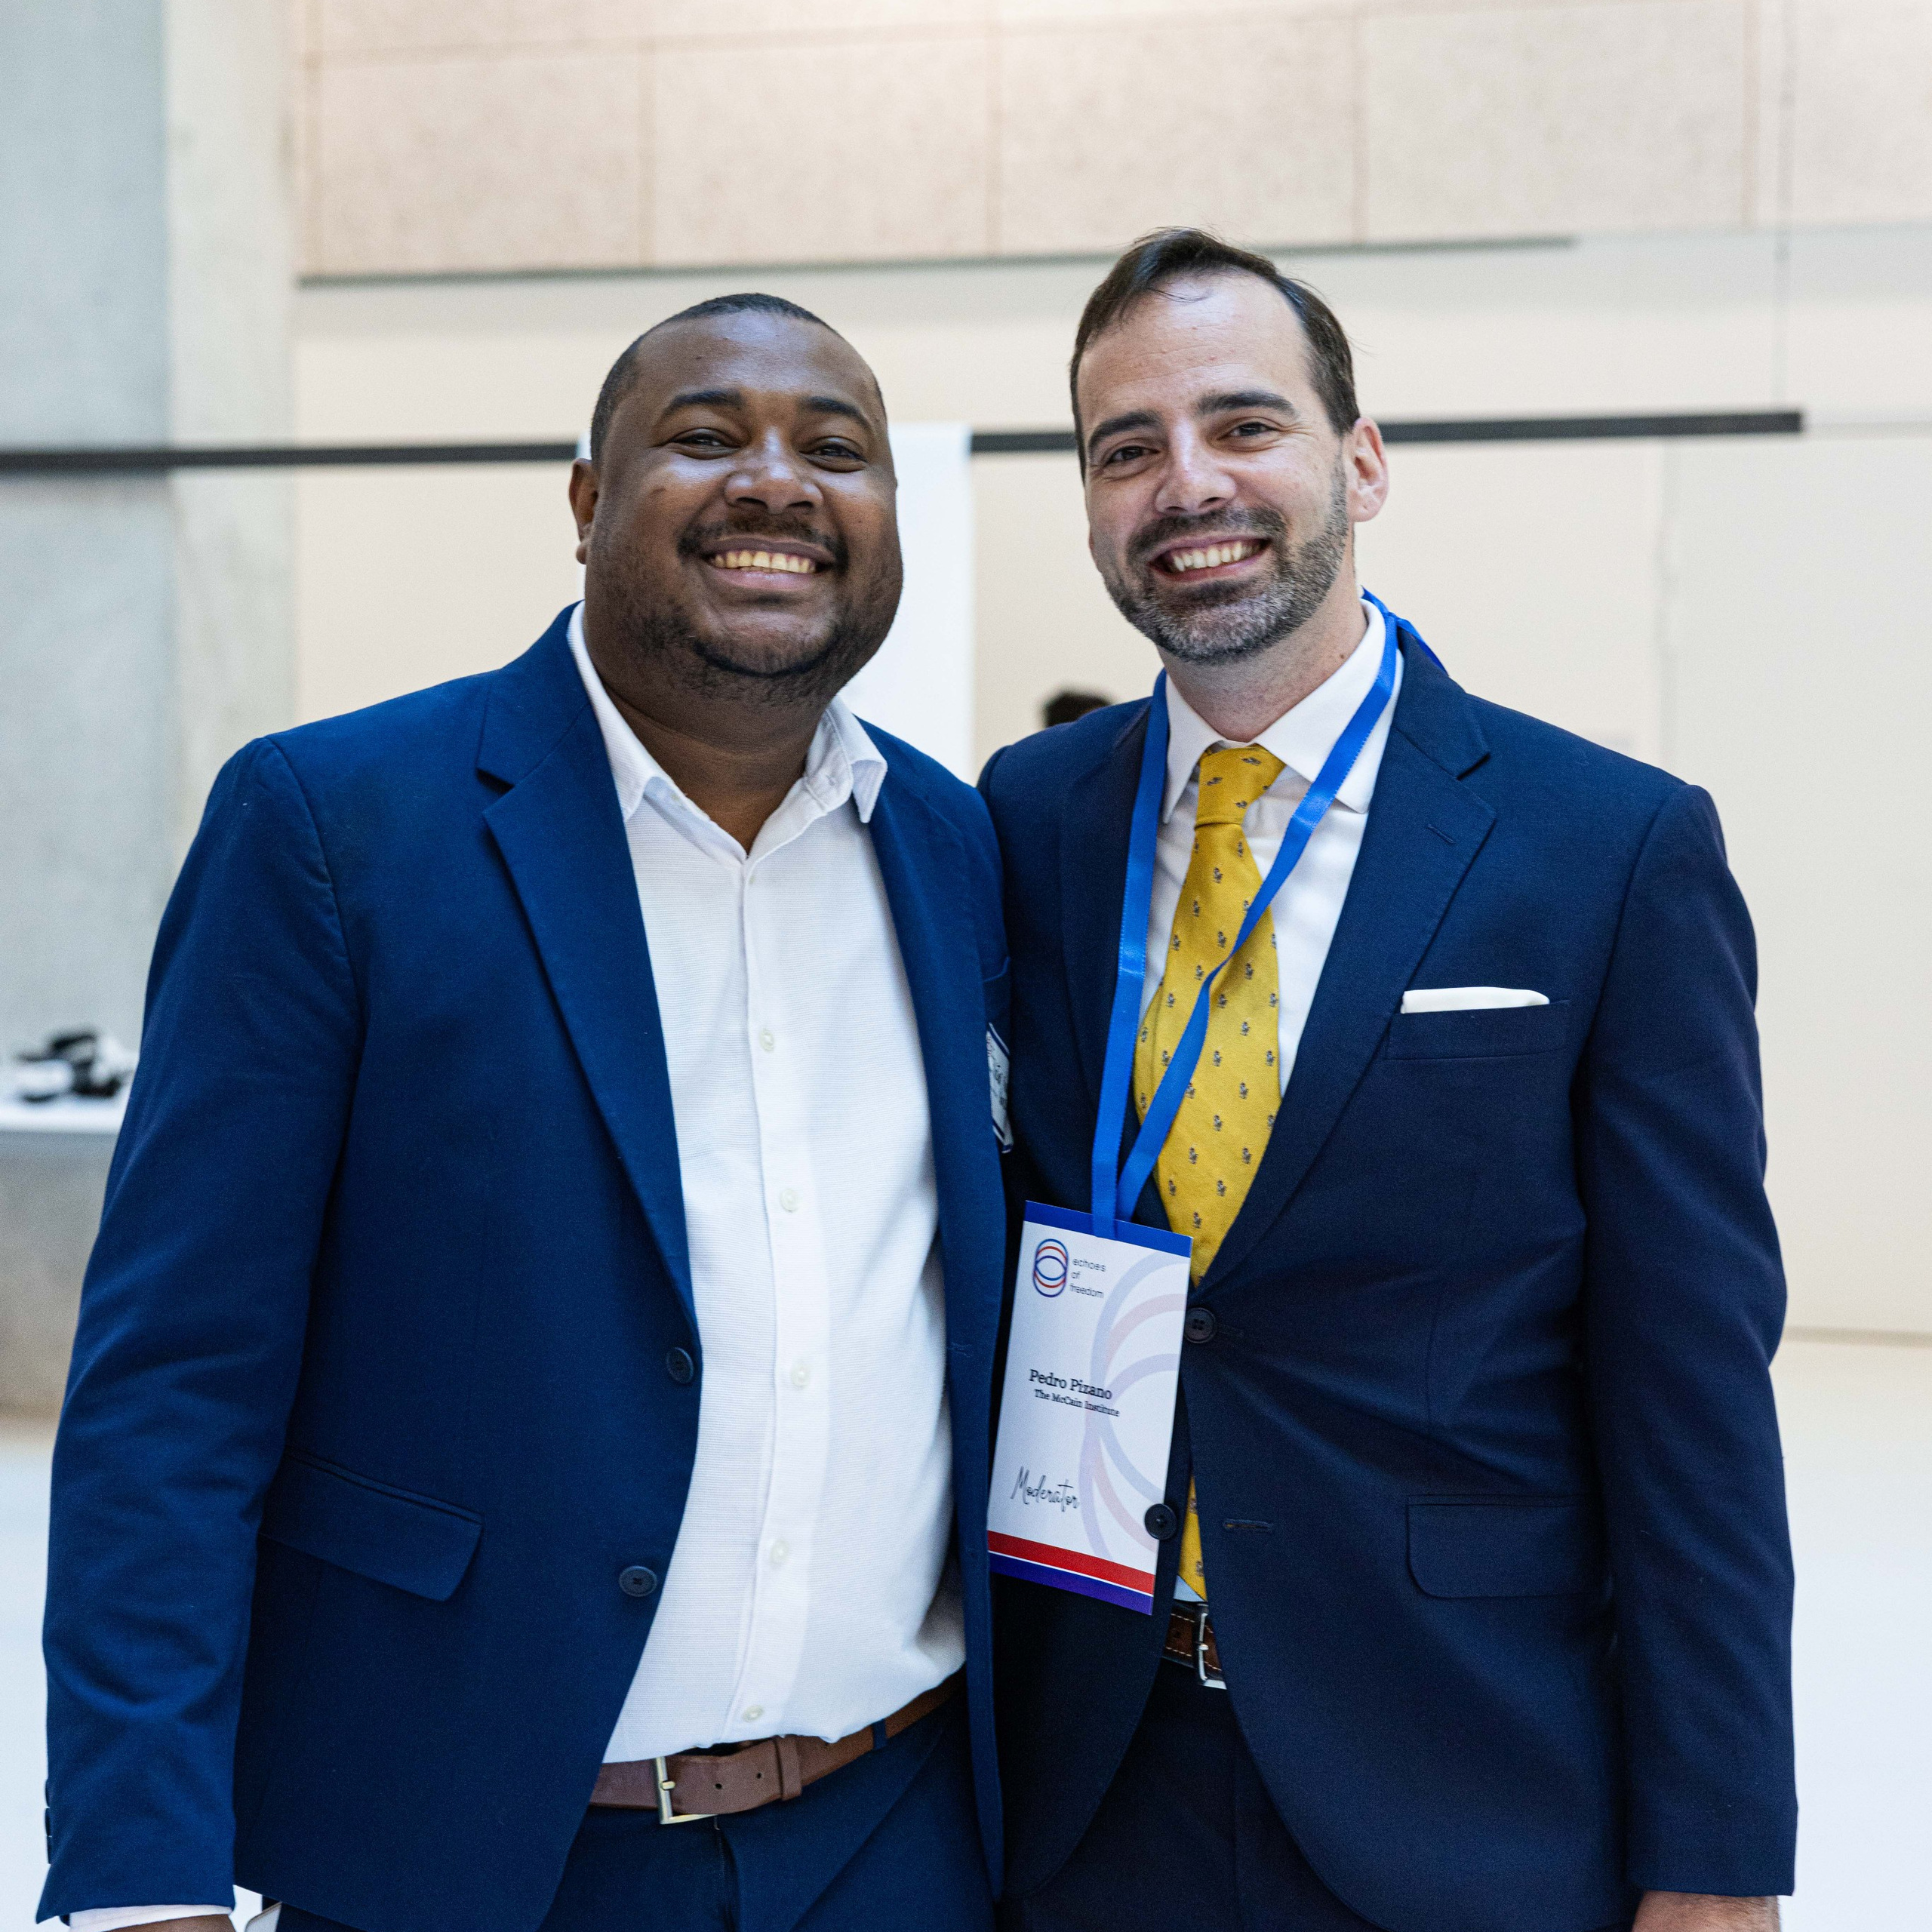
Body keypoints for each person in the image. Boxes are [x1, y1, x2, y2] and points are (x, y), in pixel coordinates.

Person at [41, 294, 1008, 1932]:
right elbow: (174, 1388)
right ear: (584, 500)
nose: (777, 481)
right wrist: (143, 1879)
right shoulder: (336, 826)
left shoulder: (951, 845)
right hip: (471, 1853)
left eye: (836, 450)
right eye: (705, 436)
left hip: (895, 1840)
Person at [980, 230, 1795, 1932]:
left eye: (1243, 424)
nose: (1186, 483)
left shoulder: (1605, 849)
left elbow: (1694, 1402)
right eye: (1126, 448)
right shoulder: (1024, 818)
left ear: (1360, 460)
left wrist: (1715, 1858)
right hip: (1092, 1781)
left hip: (1460, 1777)